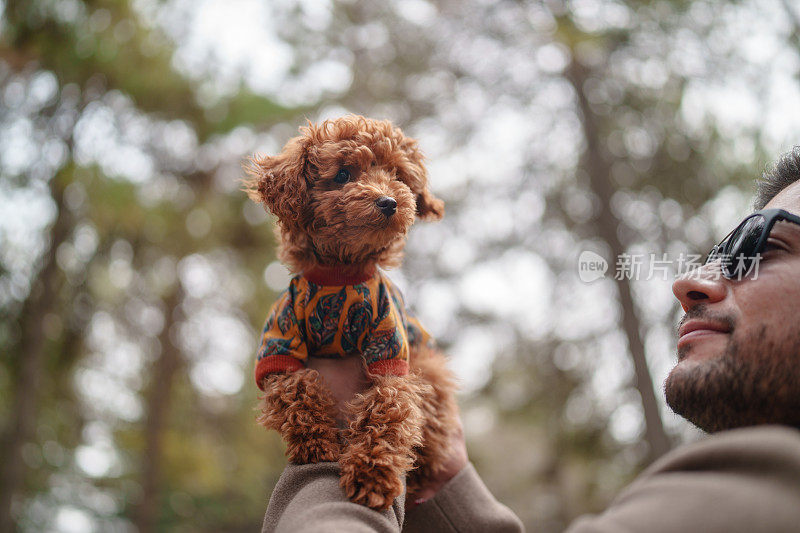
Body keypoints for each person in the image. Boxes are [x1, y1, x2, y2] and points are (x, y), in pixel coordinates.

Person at [261, 148, 800, 532]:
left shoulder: (763, 484)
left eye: (765, 244)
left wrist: (330, 455)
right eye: (723, 249)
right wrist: (453, 491)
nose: (691, 280)